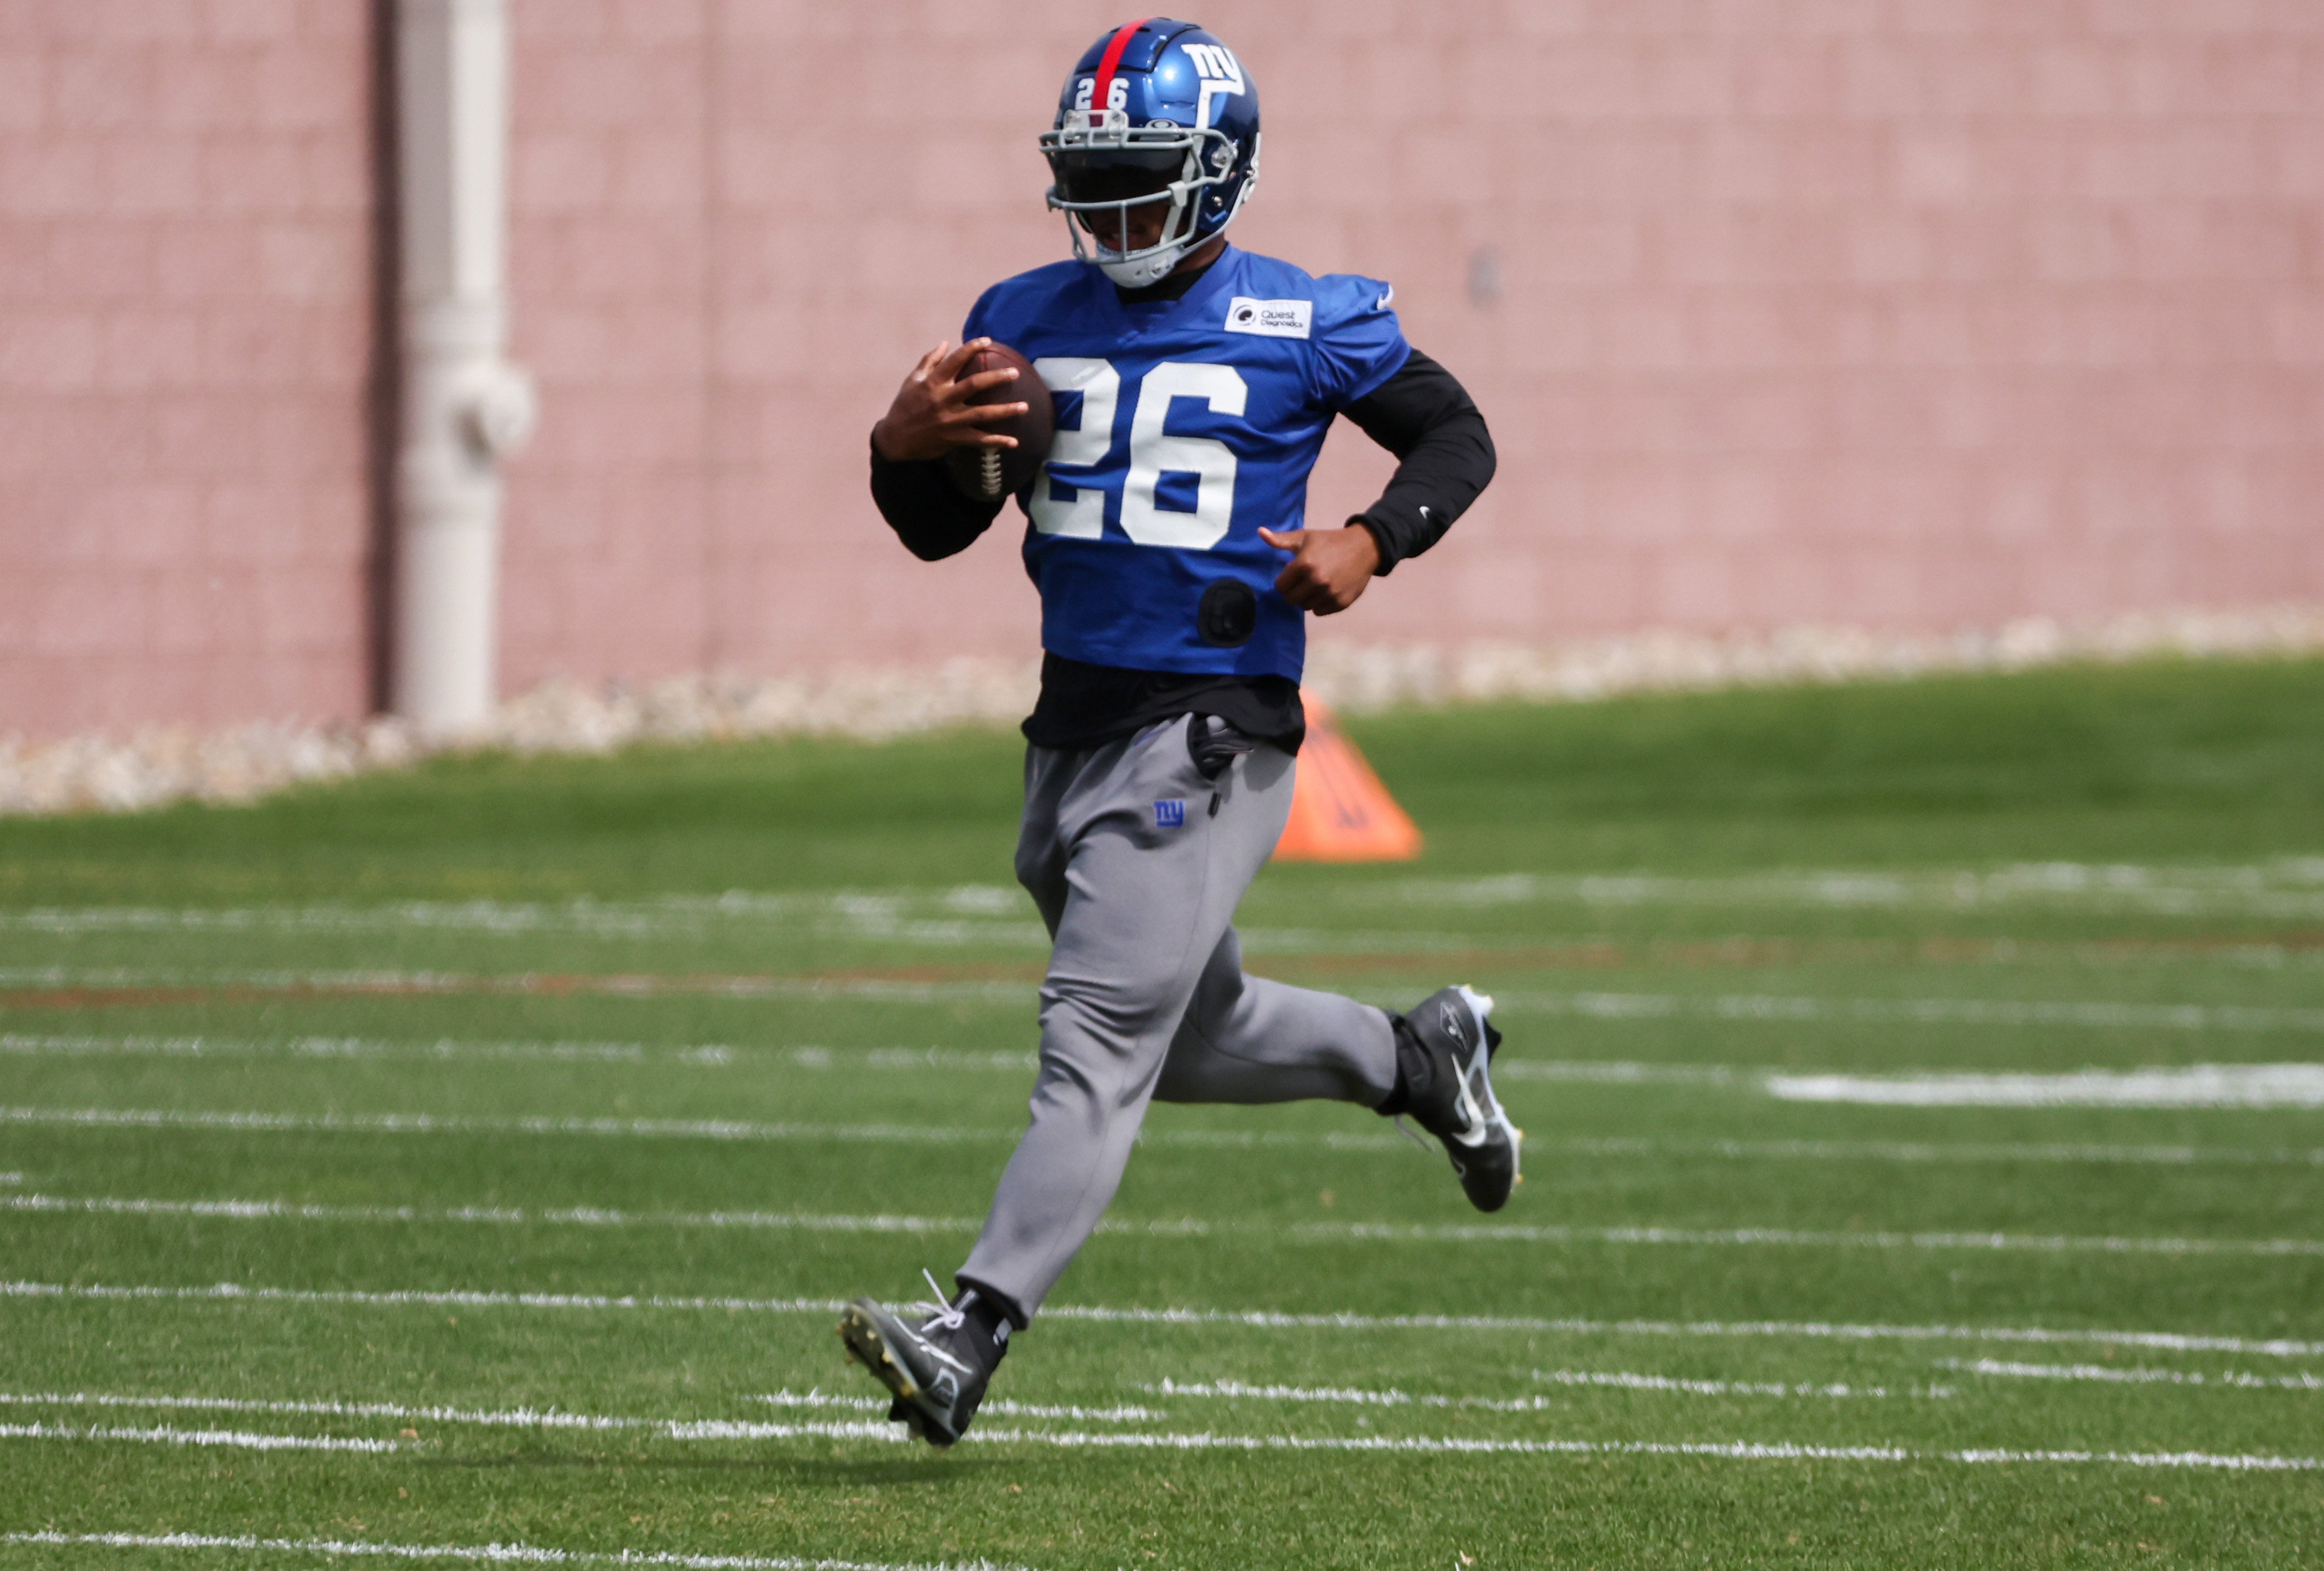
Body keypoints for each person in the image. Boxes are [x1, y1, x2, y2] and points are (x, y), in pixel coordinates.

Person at [840, 18, 1518, 1449]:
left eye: (1144, 175)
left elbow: (1458, 434)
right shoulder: (1020, 312)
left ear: (1220, 174)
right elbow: (936, 530)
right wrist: (899, 450)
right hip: (1073, 726)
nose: (1115, 208)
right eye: (1097, 176)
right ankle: (1421, 1057)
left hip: (1216, 724)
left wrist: (1373, 538)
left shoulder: (1308, 312)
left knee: (1093, 1030)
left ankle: (971, 1329)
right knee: (1192, 1030)